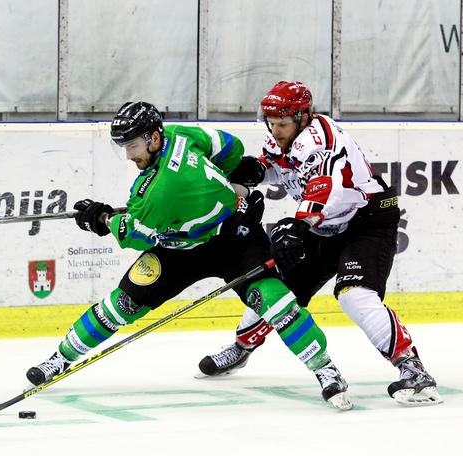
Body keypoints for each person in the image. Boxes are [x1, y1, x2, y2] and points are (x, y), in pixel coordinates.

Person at [26, 101, 353, 411]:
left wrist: (100, 219)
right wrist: (235, 186)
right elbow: (230, 148)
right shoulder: (180, 134)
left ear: (153, 138)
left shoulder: (156, 192)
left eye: (133, 146)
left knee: (272, 299)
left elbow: (133, 234)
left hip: (229, 241)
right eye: (123, 147)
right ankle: (61, 357)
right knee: (124, 303)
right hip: (192, 246)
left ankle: (324, 368)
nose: (128, 155)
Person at [197, 81, 441, 406]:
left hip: (366, 220)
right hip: (326, 226)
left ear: (302, 116)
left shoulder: (322, 141)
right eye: (271, 122)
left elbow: (324, 190)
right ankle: (242, 348)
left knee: (355, 296)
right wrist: (256, 170)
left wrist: (298, 225)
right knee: (277, 292)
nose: (275, 129)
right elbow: (279, 169)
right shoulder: (283, 136)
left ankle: (413, 369)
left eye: (281, 123)